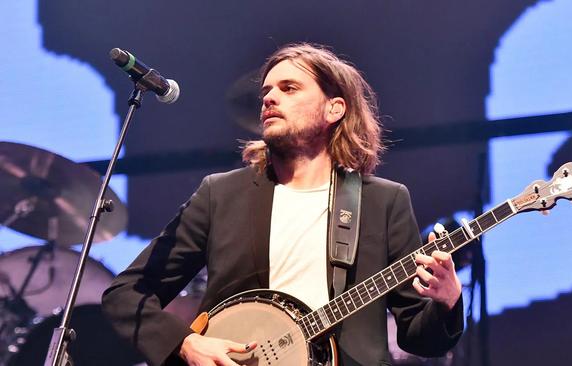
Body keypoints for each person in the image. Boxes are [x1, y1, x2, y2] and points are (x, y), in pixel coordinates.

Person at [102, 43, 464, 366]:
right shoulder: (221, 195)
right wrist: (185, 343)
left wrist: (447, 301)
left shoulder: (384, 201)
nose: (269, 98)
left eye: (289, 88)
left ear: (334, 109)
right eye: (266, 91)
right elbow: (125, 294)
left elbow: (421, 338)